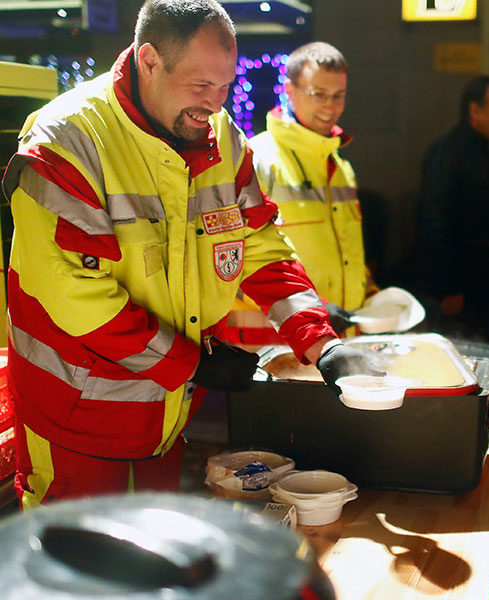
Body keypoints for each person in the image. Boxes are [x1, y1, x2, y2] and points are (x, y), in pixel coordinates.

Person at [0, 0, 379, 509]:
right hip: (75, 417)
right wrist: (191, 363)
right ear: (150, 60)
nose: (216, 104)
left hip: (166, 415)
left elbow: (261, 247)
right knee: (75, 577)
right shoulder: (66, 141)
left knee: (150, 564)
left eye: (225, 86)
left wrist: (319, 341)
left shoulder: (222, 137)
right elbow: (75, 296)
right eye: (201, 86)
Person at [224, 41, 380, 348]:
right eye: (318, 94)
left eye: (338, 96)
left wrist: (373, 295)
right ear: (290, 90)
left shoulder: (340, 166)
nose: (330, 106)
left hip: (338, 340)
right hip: (274, 345)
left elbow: (347, 251)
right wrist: (313, 310)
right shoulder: (257, 159)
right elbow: (233, 260)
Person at [415, 75, 489, 342]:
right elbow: (433, 224)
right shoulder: (447, 154)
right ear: (475, 109)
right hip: (460, 281)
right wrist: (449, 286)